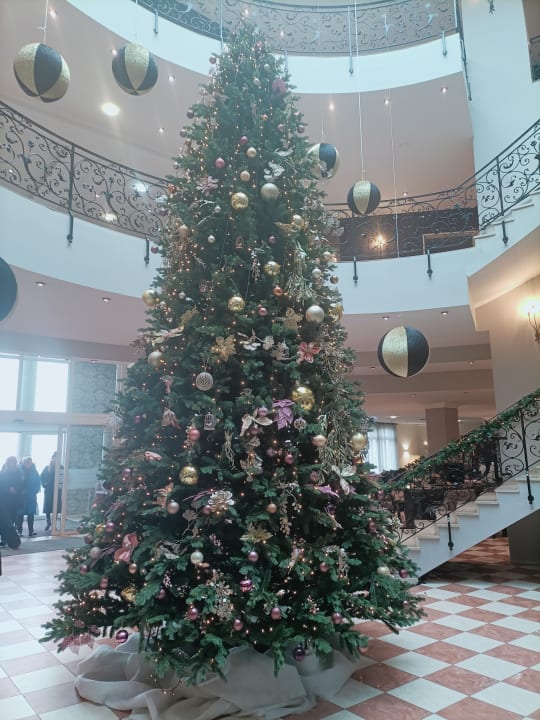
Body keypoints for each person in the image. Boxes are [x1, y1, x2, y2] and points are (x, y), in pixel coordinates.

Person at [0, 456, 24, 540]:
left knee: (12, 520)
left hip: (15, 501)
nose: (14, 465)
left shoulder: (19, 474)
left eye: (15, 463)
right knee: (5, 520)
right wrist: (8, 489)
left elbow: (23, 485)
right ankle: (4, 538)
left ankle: (10, 538)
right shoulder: (2, 474)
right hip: (5, 501)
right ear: (8, 464)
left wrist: (16, 489)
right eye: (12, 463)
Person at [18, 456, 41, 537]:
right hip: (21, 497)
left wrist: (35, 490)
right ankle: (19, 531)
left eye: (29, 462)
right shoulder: (19, 471)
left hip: (31, 496)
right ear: (23, 462)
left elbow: (38, 482)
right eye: (26, 462)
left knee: (31, 514)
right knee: (20, 515)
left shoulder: (34, 471)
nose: (28, 464)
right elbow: (16, 482)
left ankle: (31, 531)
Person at [41, 452, 61, 532]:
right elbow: (41, 477)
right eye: (54, 458)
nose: (55, 460)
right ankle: (48, 522)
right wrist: (44, 484)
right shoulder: (47, 467)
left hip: (57, 490)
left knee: (56, 507)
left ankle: (54, 524)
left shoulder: (61, 467)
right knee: (48, 507)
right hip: (49, 490)